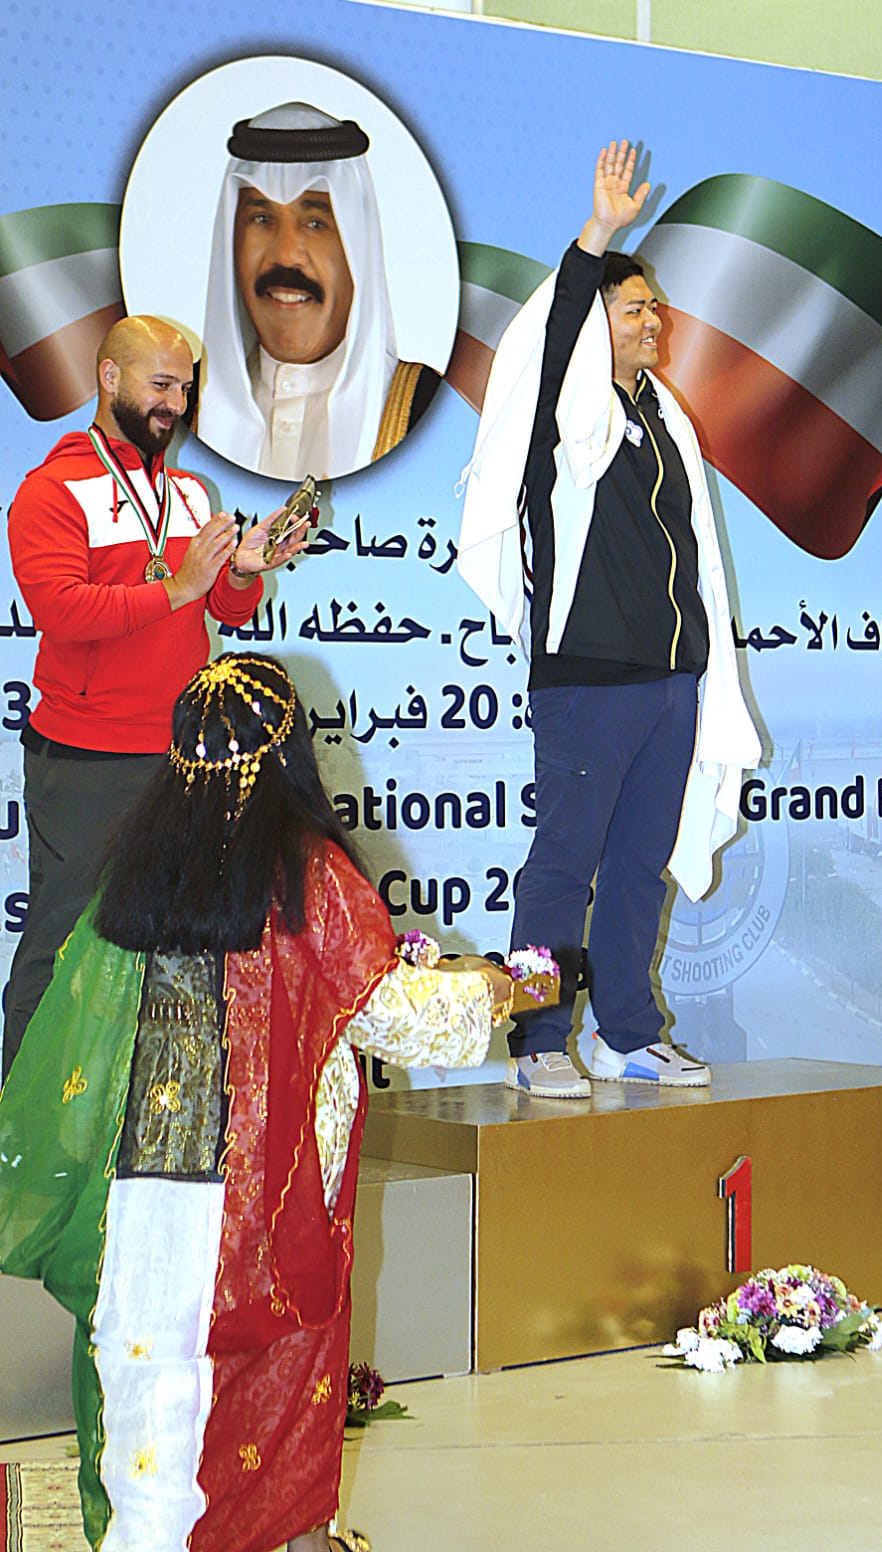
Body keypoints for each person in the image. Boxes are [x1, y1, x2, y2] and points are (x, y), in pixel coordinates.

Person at [0, 653, 513, 1552]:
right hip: (266, 1203)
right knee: (281, 1388)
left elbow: (85, 1027)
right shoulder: (306, 872)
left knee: (146, 1393)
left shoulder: (136, 865)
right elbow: (393, 1016)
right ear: (291, 755)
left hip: (140, 1199)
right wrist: (492, 993)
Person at [458, 141, 760, 1098]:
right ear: (596, 323)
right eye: (634, 307)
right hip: (587, 677)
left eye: (655, 306)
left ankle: (625, 1033)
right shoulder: (566, 418)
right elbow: (553, 341)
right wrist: (597, 236)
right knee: (563, 865)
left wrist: (699, 669)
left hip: (671, 680)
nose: (654, 318)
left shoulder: (666, 419)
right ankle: (538, 1039)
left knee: (640, 866)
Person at [3, 315, 309, 1077]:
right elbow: (62, 611)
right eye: (161, 384)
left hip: (181, 755)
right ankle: (17, 1118)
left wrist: (239, 571)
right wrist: (179, 585)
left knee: (171, 943)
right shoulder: (51, 490)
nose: (175, 402)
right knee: (63, 939)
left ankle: (143, 1115)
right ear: (109, 378)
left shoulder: (189, 492)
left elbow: (223, 609)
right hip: (86, 758)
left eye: (185, 387)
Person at [198, 102, 438, 480]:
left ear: (355, 246)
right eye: (261, 218)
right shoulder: (177, 405)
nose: (286, 255)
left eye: (315, 223)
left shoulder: (427, 411)